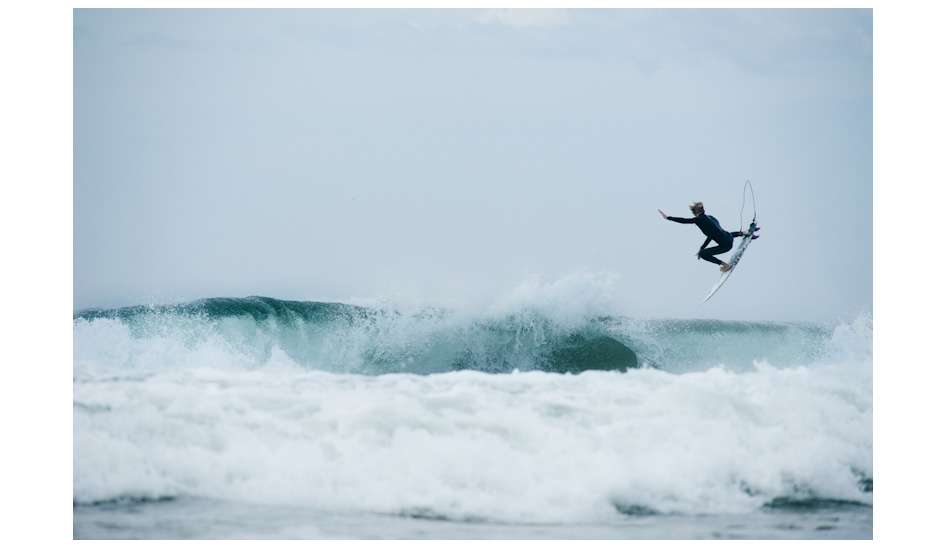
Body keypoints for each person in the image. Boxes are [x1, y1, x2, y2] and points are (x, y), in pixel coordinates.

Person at [658, 202, 750, 272]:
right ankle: (743, 232)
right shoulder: (710, 218)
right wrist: (701, 247)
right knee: (722, 233)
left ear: (695, 213)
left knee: (703, 254)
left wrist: (668, 218)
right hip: (729, 238)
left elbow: (684, 220)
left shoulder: (700, 220)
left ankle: (725, 265)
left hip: (726, 246)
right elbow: (713, 235)